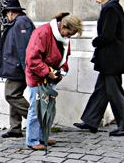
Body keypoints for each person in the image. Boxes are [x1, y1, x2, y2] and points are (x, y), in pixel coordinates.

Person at [73, 0, 124, 137]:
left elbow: (108, 36)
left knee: (115, 94)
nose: (96, 1)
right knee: (101, 91)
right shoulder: (112, 7)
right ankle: (91, 120)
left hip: (111, 60)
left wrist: (95, 40)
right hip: (111, 59)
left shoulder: (111, 8)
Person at [25, 12, 83, 150]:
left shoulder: (63, 37)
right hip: (38, 77)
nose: (69, 37)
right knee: (37, 108)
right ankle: (32, 140)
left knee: (48, 108)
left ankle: (43, 137)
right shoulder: (42, 32)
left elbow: (65, 57)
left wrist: (62, 69)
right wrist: (48, 72)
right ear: (63, 26)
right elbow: (32, 59)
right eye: (69, 33)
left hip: (50, 76)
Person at [0, 0, 35, 138]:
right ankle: (15, 128)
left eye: (7, 12)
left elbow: (24, 47)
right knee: (14, 96)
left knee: (11, 95)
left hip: (17, 67)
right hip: (14, 66)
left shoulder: (21, 22)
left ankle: (36, 118)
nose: (7, 15)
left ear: (11, 12)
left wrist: (27, 69)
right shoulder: (18, 22)